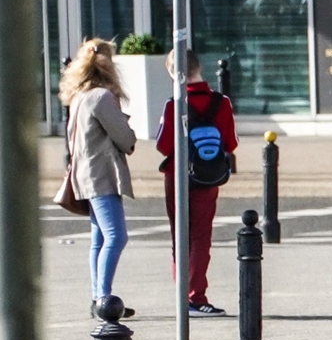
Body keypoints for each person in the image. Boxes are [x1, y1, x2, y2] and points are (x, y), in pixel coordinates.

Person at [153, 49, 236, 317]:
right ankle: (196, 296)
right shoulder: (221, 103)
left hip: (177, 175)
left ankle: (182, 295)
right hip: (207, 175)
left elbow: (164, 145)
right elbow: (231, 142)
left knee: (180, 235)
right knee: (201, 237)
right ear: (200, 67)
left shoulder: (173, 104)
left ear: (172, 73)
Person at [61, 39, 136, 304]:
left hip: (84, 173)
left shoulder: (78, 96)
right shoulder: (102, 97)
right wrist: (129, 133)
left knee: (99, 237)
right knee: (116, 236)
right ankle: (103, 298)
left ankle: (97, 295)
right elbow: (125, 138)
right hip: (101, 174)